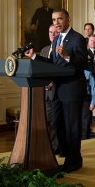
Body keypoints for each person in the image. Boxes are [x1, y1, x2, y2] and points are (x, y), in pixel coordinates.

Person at [25, 8, 87, 173]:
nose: (56, 23)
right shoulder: (56, 40)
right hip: (58, 89)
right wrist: (33, 57)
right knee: (58, 125)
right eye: (54, 20)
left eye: (59, 19)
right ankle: (67, 153)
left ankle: (74, 161)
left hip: (73, 89)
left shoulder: (78, 39)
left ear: (68, 19)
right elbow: (53, 63)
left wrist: (67, 56)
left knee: (72, 126)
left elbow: (83, 64)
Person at [40, 25, 60, 154]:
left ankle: (55, 148)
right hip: (43, 94)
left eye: (54, 32)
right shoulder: (44, 50)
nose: (52, 34)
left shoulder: (60, 50)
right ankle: (46, 146)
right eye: (50, 32)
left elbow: (62, 70)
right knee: (46, 122)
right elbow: (40, 70)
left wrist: (53, 83)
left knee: (55, 122)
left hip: (56, 91)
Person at [81, 70, 95, 140]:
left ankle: (85, 138)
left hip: (86, 99)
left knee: (86, 121)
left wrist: (93, 102)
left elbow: (93, 88)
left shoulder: (87, 73)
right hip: (75, 100)